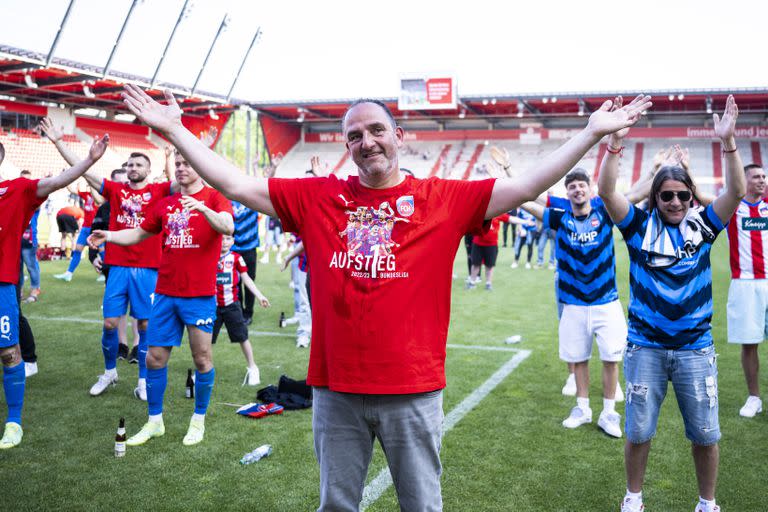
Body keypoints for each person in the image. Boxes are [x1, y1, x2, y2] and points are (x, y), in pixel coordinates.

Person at [121, 84, 650, 510]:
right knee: (337, 504)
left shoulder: (442, 198)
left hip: (413, 390)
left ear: (399, 135)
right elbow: (235, 184)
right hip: (334, 390)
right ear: (346, 146)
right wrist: (174, 130)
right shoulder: (317, 198)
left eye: (377, 130)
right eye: (355, 135)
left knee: (421, 504)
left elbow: (529, 186)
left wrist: (589, 133)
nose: (368, 141)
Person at [598, 95, 744, 512]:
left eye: (682, 194)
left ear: (691, 195)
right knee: (638, 432)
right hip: (645, 348)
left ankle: (707, 502)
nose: (676, 202)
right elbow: (607, 191)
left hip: (696, 350)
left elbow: (735, 190)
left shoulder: (703, 225)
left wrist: (729, 142)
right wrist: (614, 143)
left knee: (706, 434)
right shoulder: (637, 226)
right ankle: (633, 498)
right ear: (655, 199)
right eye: (667, 196)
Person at [88, 150, 233, 446]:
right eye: (177, 163)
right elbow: (140, 233)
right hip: (165, 293)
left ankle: (198, 419)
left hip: (199, 294)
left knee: (202, 358)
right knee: (155, 358)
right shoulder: (164, 204)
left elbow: (227, 226)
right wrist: (110, 236)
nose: (180, 168)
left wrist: (203, 209)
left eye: (186, 163)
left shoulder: (215, 198)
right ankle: (155, 421)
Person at [40, 117, 176, 400]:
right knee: (110, 324)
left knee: (145, 325)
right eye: (129, 165)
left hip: (148, 268)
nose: (133, 168)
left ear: (149, 171)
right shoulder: (117, 191)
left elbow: (176, 182)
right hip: (118, 268)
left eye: (139, 165)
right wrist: (58, 142)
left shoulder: (158, 192)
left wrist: (170, 156)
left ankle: (141, 379)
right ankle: (110, 371)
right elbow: (84, 170)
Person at [0, 135, 109, 449]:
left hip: (2, 286)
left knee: (9, 353)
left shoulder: (15, 190)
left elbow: (59, 180)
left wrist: (89, 160)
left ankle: (14, 422)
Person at [522, 169, 628, 438]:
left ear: (590, 189)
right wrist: (505, 184)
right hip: (573, 304)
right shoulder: (559, 218)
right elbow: (525, 201)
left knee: (610, 359)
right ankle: (582, 409)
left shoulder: (604, 213)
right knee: (578, 359)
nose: (577, 190)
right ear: (566, 193)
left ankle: (608, 413)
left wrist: (653, 171)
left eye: (582, 186)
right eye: (572, 187)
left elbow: (635, 194)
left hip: (607, 301)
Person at [725, 163, 768, 418]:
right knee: (750, 343)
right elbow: (701, 197)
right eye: (756, 177)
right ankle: (754, 397)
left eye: (764, 176)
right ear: (745, 180)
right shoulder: (733, 208)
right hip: (745, 283)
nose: (762, 180)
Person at [213, 234, 269, 385]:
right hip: (212, 307)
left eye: (228, 238)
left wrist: (259, 296)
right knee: (205, 341)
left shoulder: (237, 258)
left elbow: (247, 279)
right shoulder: (209, 256)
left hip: (232, 306)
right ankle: (202, 370)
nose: (224, 242)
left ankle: (253, 367)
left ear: (233, 240)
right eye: (221, 238)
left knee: (242, 337)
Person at [467, 213, 533, 290]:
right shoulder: (480, 212)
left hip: (491, 244)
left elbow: (511, 218)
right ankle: (472, 282)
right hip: (478, 243)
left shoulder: (497, 213)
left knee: (489, 265)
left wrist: (525, 221)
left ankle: (488, 284)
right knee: (475, 264)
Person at [54, 180, 100, 282]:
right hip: (85, 228)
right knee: (78, 250)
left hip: (96, 228)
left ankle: (105, 274)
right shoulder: (86, 195)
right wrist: (67, 179)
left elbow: (98, 202)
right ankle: (69, 273)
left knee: (100, 252)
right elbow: (71, 189)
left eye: (91, 185)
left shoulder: (100, 197)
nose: (89, 187)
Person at [231, 200, 260, 325]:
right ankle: (239, 312)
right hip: (233, 249)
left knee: (249, 282)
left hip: (250, 248)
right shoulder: (227, 199)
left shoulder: (251, 198)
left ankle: (248, 313)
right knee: (235, 283)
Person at [19, 171, 42, 303]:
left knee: (31, 266)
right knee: (18, 267)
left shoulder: (34, 200)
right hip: (17, 240)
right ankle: (19, 290)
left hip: (29, 240)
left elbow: (38, 203)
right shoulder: (16, 198)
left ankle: (35, 289)